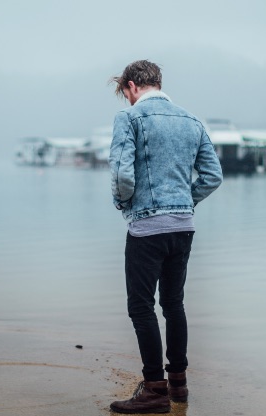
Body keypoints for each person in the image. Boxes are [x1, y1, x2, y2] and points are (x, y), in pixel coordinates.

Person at [108, 60, 223, 414]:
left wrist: (124, 203)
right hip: (183, 227)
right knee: (174, 304)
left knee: (141, 307)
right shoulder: (192, 120)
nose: (125, 100)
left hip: (146, 227)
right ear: (158, 82)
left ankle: (154, 389)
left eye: (124, 94)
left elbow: (123, 175)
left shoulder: (129, 119)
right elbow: (212, 175)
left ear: (131, 86)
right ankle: (179, 386)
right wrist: (185, 201)